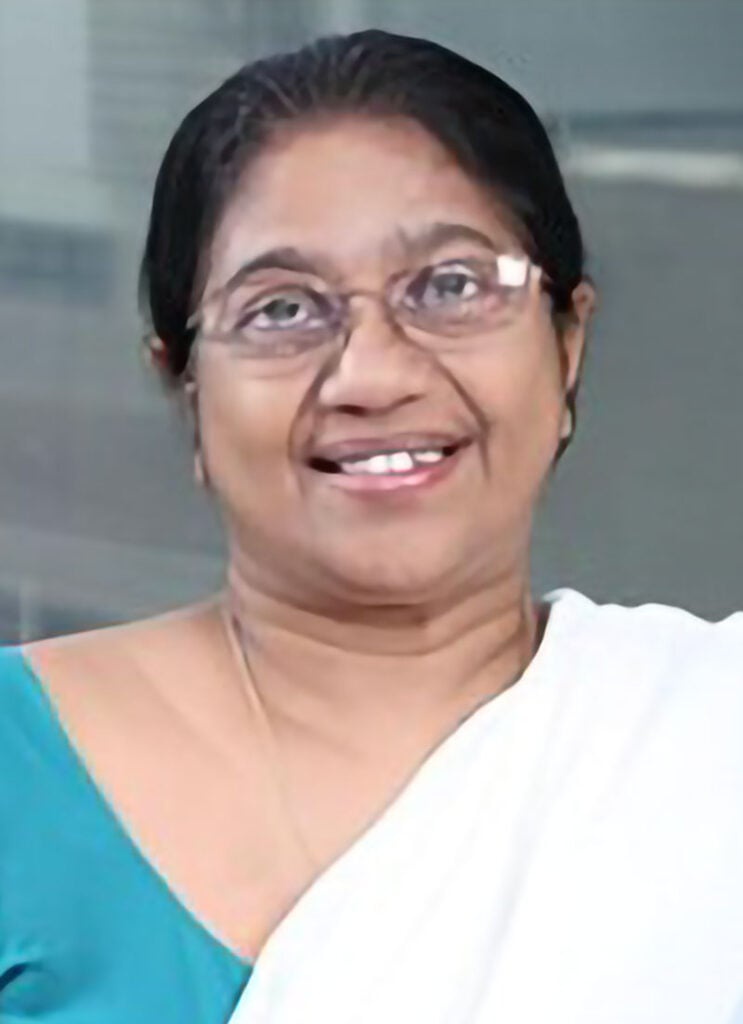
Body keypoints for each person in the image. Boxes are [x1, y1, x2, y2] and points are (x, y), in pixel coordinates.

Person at [1, 28, 742, 1024]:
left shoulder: (708, 746)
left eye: (451, 287)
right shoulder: (17, 776)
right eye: (281, 310)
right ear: (184, 385)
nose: (373, 376)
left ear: (566, 345)